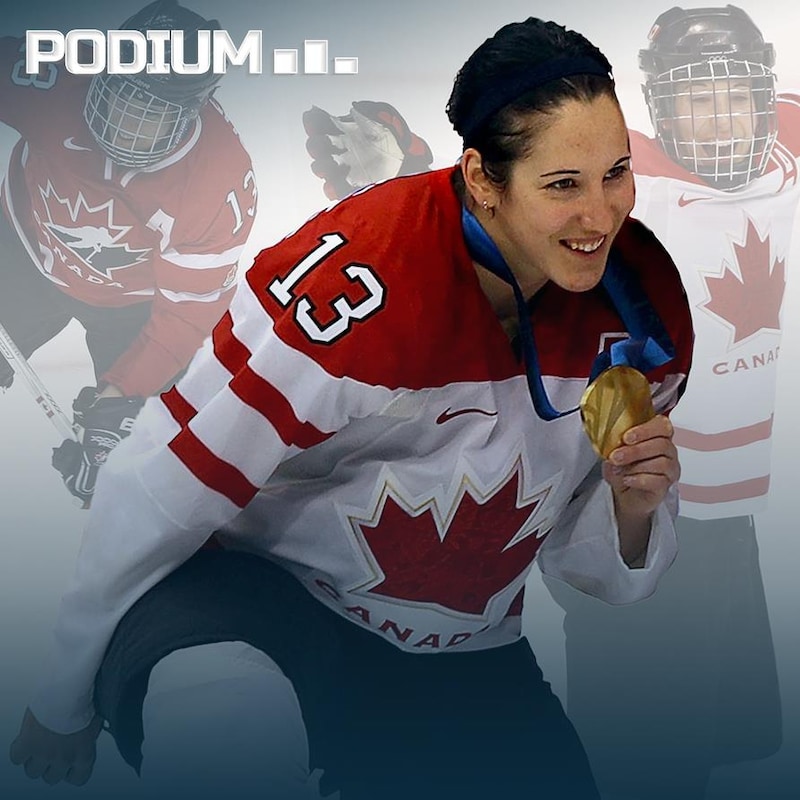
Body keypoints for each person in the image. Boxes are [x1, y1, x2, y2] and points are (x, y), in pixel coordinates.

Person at [9, 16, 693, 800]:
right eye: (563, 184)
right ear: (481, 179)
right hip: (249, 600)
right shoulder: (352, 285)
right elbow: (160, 485)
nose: (601, 216)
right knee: (229, 733)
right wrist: (60, 695)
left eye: (616, 173)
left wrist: (633, 507)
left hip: (459, 642)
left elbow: (586, 562)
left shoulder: (644, 313)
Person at [302, 6, 794, 796]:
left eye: (737, 92)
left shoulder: (780, 160)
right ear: (658, 108)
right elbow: (496, 203)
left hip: (724, 517)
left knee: (711, 749)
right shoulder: (626, 199)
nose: (721, 116)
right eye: (696, 96)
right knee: (638, 744)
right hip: (609, 499)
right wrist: (400, 159)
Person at [0, 0, 256, 503]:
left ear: (192, 111)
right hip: (23, 256)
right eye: (121, 95)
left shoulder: (216, 184)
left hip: (135, 312)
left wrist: (120, 399)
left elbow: (185, 318)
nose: (125, 126)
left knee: (138, 468)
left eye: (153, 113)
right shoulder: (55, 80)